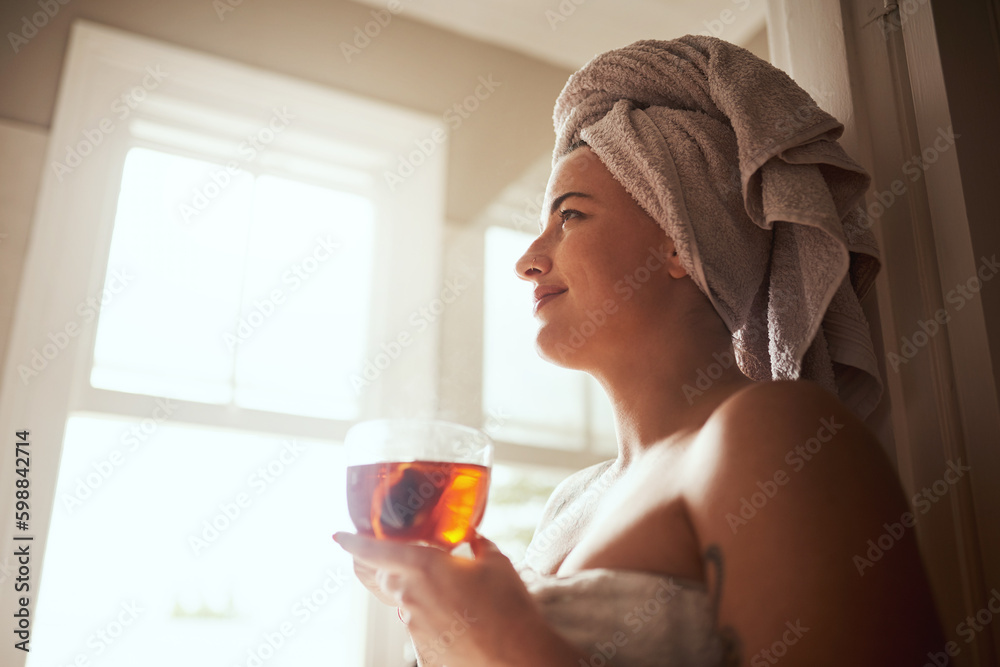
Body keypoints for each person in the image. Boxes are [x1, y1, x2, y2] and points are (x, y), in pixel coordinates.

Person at [334, 35, 945, 666]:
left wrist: (500, 638)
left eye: (569, 216)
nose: (526, 260)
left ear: (682, 242)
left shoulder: (777, 435)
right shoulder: (570, 503)